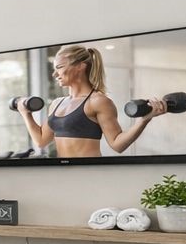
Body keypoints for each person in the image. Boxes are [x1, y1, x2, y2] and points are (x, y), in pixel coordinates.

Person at [19, 44, 166, 158]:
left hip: (89, 172)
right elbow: (42, 141)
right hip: (61, 173)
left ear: (80, 67)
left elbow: (117, 145)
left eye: (60, 67)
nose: (55, 73)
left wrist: (144, 120)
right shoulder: (57, 103)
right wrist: (26, 113)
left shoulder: (98, 101)